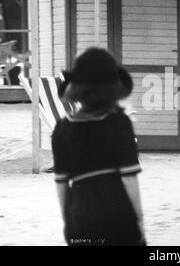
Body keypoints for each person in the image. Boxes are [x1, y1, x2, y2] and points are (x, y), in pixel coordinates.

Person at [52, 47, 145, 246]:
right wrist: (140, 221)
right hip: (116, 211)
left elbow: (61, 184)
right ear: (113, 88)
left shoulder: (61, 128)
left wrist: (69, 222)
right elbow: (129, 179)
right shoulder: (119, 123)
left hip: (79, 214)